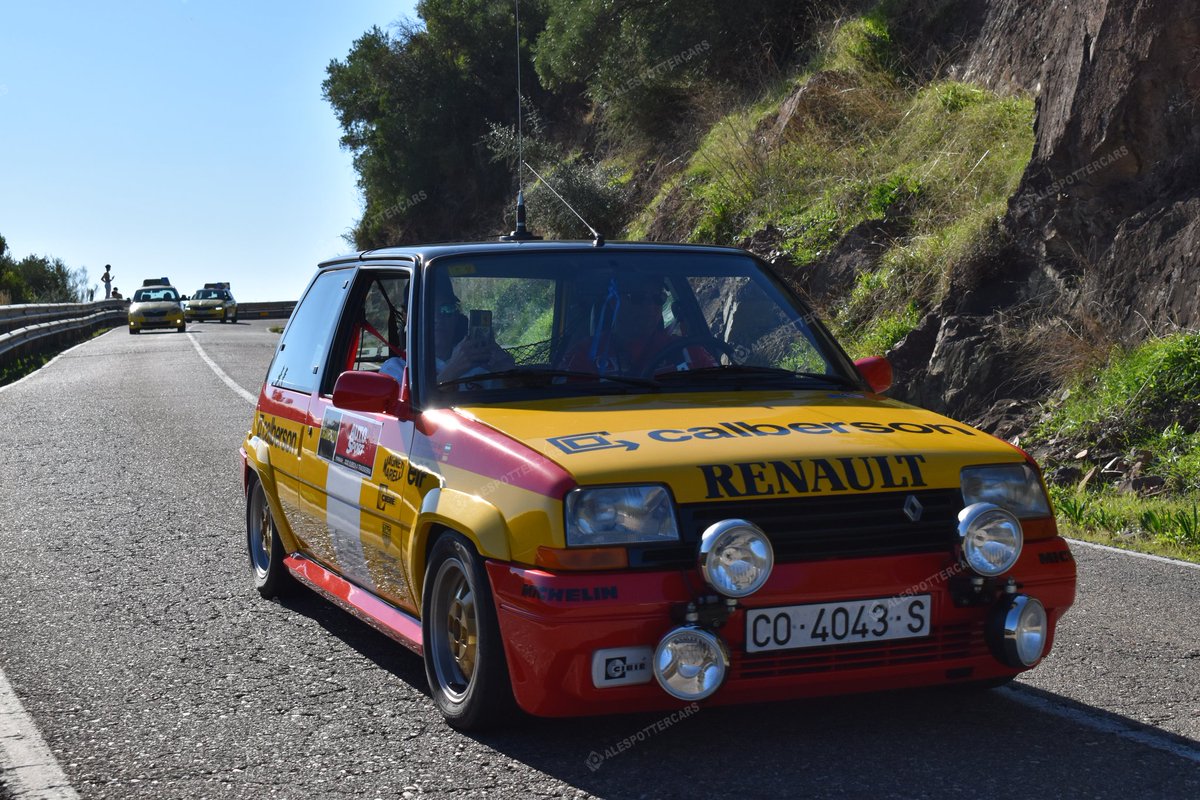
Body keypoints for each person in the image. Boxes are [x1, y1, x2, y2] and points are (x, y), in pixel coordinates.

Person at [559, 274, 715, 377]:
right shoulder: (586, 356)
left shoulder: (688, 351)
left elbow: (720, 387)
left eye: (658, 298)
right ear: (615, 302)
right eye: (638, 298)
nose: (649, 307)